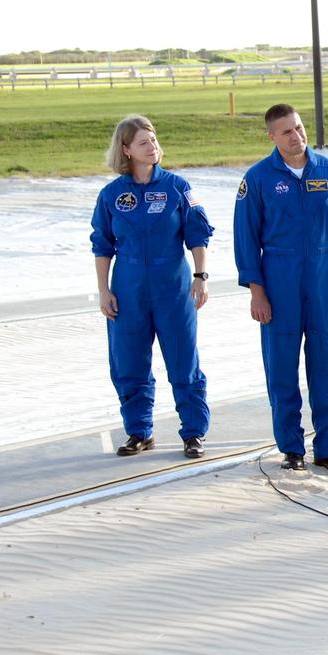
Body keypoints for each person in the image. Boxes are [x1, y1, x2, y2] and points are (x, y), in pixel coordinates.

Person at [233, 103, 328, 474]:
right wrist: (255, 290)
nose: (297, 136)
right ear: (272, 136)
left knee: (327, 359)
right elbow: (246, 238)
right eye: (287, 131)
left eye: (299, 127)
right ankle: (291, 447)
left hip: (323, 272)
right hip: (278, 275)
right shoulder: (258, 178)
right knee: (281, 365)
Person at [91, 114, 213, 459]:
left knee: (183, 361)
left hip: (173, 285)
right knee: (128, 362)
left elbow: (198, 233)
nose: (152, 146)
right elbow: (102, 245)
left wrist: (200, 277)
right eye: (143, 142)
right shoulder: (112, 195)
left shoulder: (177, 187)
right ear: (126, 149)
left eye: (154, 139)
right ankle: (139, 432)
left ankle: (193, 433)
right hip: (128, 287)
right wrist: (104, 290)